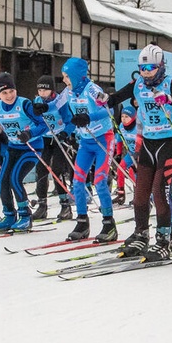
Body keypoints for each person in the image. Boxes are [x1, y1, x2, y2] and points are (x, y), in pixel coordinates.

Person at [106, 44, 172, 261]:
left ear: (160, 67)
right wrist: (103, 100)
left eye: (150, 67)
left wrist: (169, 99)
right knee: (140, 194)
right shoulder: (138, 83)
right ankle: (141, 234)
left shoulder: (171, 82)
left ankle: (165, 239)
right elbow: (116, 97)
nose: (146, 72)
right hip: (148, 144)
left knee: (160, 191)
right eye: (142, 67)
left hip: (170, 143)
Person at [50, 57, 116, 243]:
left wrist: (90, 117)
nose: (64, 80)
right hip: (86, 142)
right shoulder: (69, 92)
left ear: (77, 75)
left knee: (100, 181)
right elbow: (55, 106)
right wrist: (40, 108)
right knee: (78, 182)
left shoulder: (93, 90)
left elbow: (109, 109)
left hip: (103, 139)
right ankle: (82, 222)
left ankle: (109, 224)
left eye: (67, 76)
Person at [0, 72, 48, 232]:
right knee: (3, 181)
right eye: (4, 93)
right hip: (13, 148)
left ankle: (25, 216)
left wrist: (30, 134)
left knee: (15, 178)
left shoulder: (24, 104)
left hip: (32, 148)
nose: (9, 96)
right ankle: (9, 215)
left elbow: (43, 125)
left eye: (11, 91)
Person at [30, 74, 74, 220]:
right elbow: (33, 120)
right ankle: (42, 206)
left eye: (45, 90)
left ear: (52, 90)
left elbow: (70, 121)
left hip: (59, 138)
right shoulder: (37, 101)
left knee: (57, 170)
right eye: (40, 90)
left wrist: (65, 134)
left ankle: (65, 205)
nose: (42, 94)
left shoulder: (60, 101)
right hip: (45, 138)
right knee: (41, 170)